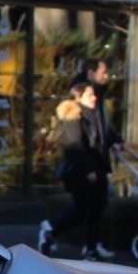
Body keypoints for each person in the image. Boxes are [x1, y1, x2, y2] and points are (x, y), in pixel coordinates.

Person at [42, 80, 113, 258]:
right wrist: (89, 169)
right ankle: (51, 228)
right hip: (80, 172)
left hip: (98, 167)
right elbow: (74, 145)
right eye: (90, 94)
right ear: (79, 96)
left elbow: (102, 138)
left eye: (95, 94)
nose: (94, 97)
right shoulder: (73, 115)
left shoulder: (95, 113)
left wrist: (117, 143)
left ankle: (91, 249)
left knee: (97, 208)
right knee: (82, 209)